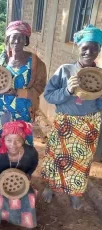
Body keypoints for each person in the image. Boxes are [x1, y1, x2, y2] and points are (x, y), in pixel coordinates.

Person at [41, 25, 102, 210]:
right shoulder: (65, 70)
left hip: (88, 125)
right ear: (78, 47)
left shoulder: (100, 76)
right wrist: (67, 89)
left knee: (81, 163)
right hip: (64, 123)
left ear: (99, 50)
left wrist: (99, 95)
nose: (89, 52)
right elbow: (48, 96)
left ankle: (75, 193)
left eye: (94, 48)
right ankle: (50, 188)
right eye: (85, 47)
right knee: (55, 158)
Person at [0, 21, 46, 145]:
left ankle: (19, 165)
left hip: (23, 111)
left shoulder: (35, 62)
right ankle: (1, 165)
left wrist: (18, 92)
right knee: (1, 141)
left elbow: (40, 86)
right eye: (14, 37)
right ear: (8, 39)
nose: (17, 41)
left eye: (21, 38)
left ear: (26, 40)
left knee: (21, 143)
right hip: (1, 109)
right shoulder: (2, 59)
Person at [0, 121, 38, 228]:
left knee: (28, 196)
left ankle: (22, 219)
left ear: (23, 140)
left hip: (20, 180)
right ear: (3, 139)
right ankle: (2, 217)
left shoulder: (30, 152)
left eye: (18, 140)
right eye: (9, 140)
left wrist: (28, 174)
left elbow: (34, 164)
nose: (13, 145)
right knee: (0, 198)